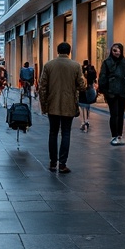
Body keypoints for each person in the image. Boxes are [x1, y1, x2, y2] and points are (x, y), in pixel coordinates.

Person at [38, 42, 85, 174]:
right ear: (69, 51)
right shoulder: (76, 66)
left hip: (52, 104)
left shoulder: (49, 65)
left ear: (57, 51)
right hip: (68, 104)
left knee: (53, 133)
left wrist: (43, 105)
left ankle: (53, 162)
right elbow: (81, 86)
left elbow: (42, 87)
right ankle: (62, 164)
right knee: (66, 133)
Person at [99, 42, 125, 145]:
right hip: (111, 92)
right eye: (114, 50)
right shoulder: (107, 63)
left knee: (121, 114)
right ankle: (114, 135)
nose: (117, 52)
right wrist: (104, 90)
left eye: (118, 50)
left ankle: (119, 135)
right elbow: (103, 77)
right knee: (114, 114)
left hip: (122, 91)